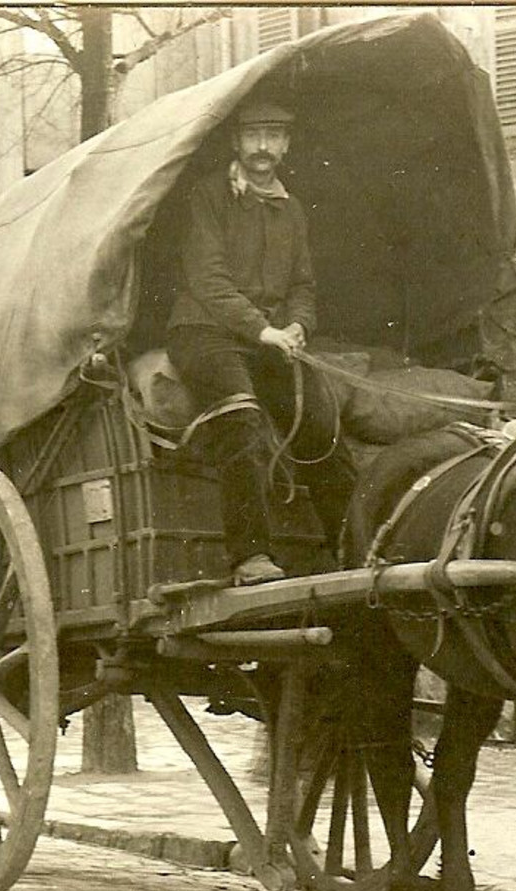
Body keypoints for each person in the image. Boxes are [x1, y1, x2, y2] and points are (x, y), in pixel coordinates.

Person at [166, 98, 355, 585]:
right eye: (253, 136)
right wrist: (264, 330)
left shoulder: (291, 211)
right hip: (203, 333)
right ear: (236, 142)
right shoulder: (209, 197)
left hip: (266, 339)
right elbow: (208, 281)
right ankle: (250, 558)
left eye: (274, 135)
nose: (263, 146)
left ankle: (353, 548)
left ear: (286, 144)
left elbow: (303, 286)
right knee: (242, 419)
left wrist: (298, 327)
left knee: (320, 421)